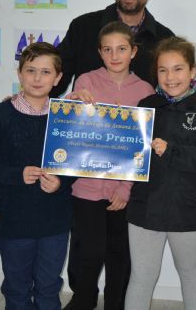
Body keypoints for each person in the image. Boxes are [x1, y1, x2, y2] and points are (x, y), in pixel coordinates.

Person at [125, 37, 196, 310]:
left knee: (190, 270)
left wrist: (171, 150)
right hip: (144, 207)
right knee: (141, 276)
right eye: (163, 70)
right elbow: (124, 150)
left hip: (188, 207)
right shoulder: (145, 104)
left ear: (193, 71)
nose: (170, 77)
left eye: (178, 69)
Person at [0, 42, 74, 310]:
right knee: (16, 288)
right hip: (13, 219)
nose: (37, 78)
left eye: (46, 72)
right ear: (19, 74)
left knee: (49, 287)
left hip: (55, 220)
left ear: (58, 78)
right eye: (30, 70)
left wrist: (61, 183)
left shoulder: (65, 118)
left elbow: (77, 166)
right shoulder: (0, 115)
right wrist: (17, 174)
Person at [63, 22, 155, 310]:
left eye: (122, 49)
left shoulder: (144, 89)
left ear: (134, 52)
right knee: (88, 253)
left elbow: (143, 145)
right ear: (100, 53)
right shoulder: (86, 82)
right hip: (86, 189)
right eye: (108, 50)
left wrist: (125, 188)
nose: (115, 55)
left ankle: (115, 305)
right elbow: (72, 131)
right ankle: (83, 301)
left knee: (120, 256)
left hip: (123, 192)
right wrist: (72, 102)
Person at [51, 0, 174, 97]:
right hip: (85, 117)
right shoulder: (82, 27)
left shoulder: (165, 39)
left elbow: (171, 90)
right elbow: (55, 77)